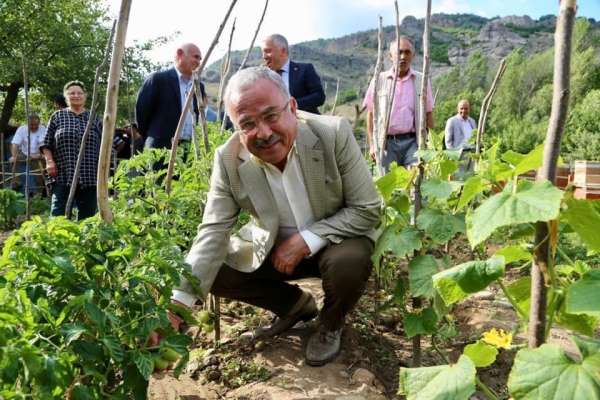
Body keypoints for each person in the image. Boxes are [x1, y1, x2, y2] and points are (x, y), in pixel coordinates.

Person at [168, 67, 380, 366]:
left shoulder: (332, 134)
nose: (264, 133)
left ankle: (330, 324)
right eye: (248, 124)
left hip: (336, 242)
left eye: (271, 116)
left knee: (350, 261)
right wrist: (179, 303)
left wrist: (306, 240)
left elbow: (367, 209)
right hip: (274, 250)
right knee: (214, 269)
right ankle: (295, 305)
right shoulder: (228, 160)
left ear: (292, 107)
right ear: (236, 128)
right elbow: (213, 230)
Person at [362, 36, 434, 171]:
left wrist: (430, 146)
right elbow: (371, 114)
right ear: (390, 56)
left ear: (413, 55)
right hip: (386, 143)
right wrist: (372, 144)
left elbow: (428, 113)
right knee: (388, 186)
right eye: (399, 52)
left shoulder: (421, 80)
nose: (403, 56)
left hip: (413, 143)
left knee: (414, 184)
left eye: (407, 52)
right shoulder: (379, 80)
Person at [41, 81, 101, 219]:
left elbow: (105, 144)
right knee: (58, 213)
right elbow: (46, 143)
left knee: (88, 216)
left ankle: (85, 240)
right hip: (63, 172)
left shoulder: (94, 118)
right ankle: (58, 239)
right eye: (72, 93)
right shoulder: (58, 116)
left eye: (79, 93)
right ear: (66, 96)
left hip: (90, 174)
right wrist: (49, 162)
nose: (76, 95)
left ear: (85, 96)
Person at [135, 43, 208, 150]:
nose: (198, 62)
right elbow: (141, 112)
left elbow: (197, 116)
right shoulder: (158, 80)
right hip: (159, 148)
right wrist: (153, 135)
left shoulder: (198, 87)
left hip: (188, 148)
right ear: (180, 54)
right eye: (196, 57)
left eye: (200, 59)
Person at [261, 34, 325, 114]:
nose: (264, 56)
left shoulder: (305, 69)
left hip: (304, 123)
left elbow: (319, 97)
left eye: (268, 51)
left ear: (283, 51)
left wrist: (294, 105)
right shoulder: (264, 77)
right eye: (263, 53)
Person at [10, 114, 46, 193]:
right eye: (31, 125)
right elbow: (15, 144)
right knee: (12, 160)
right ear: (27, 124)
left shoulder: (43, 129)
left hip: (38, 154)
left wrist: (38, 156)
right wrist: (14, 156)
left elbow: (43, 145)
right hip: (25, 153)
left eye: (36, 125)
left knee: (39, 177)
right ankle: (16, 181)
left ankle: (38, 193)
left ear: (39, 123)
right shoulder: (22, 129)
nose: (34, 127)